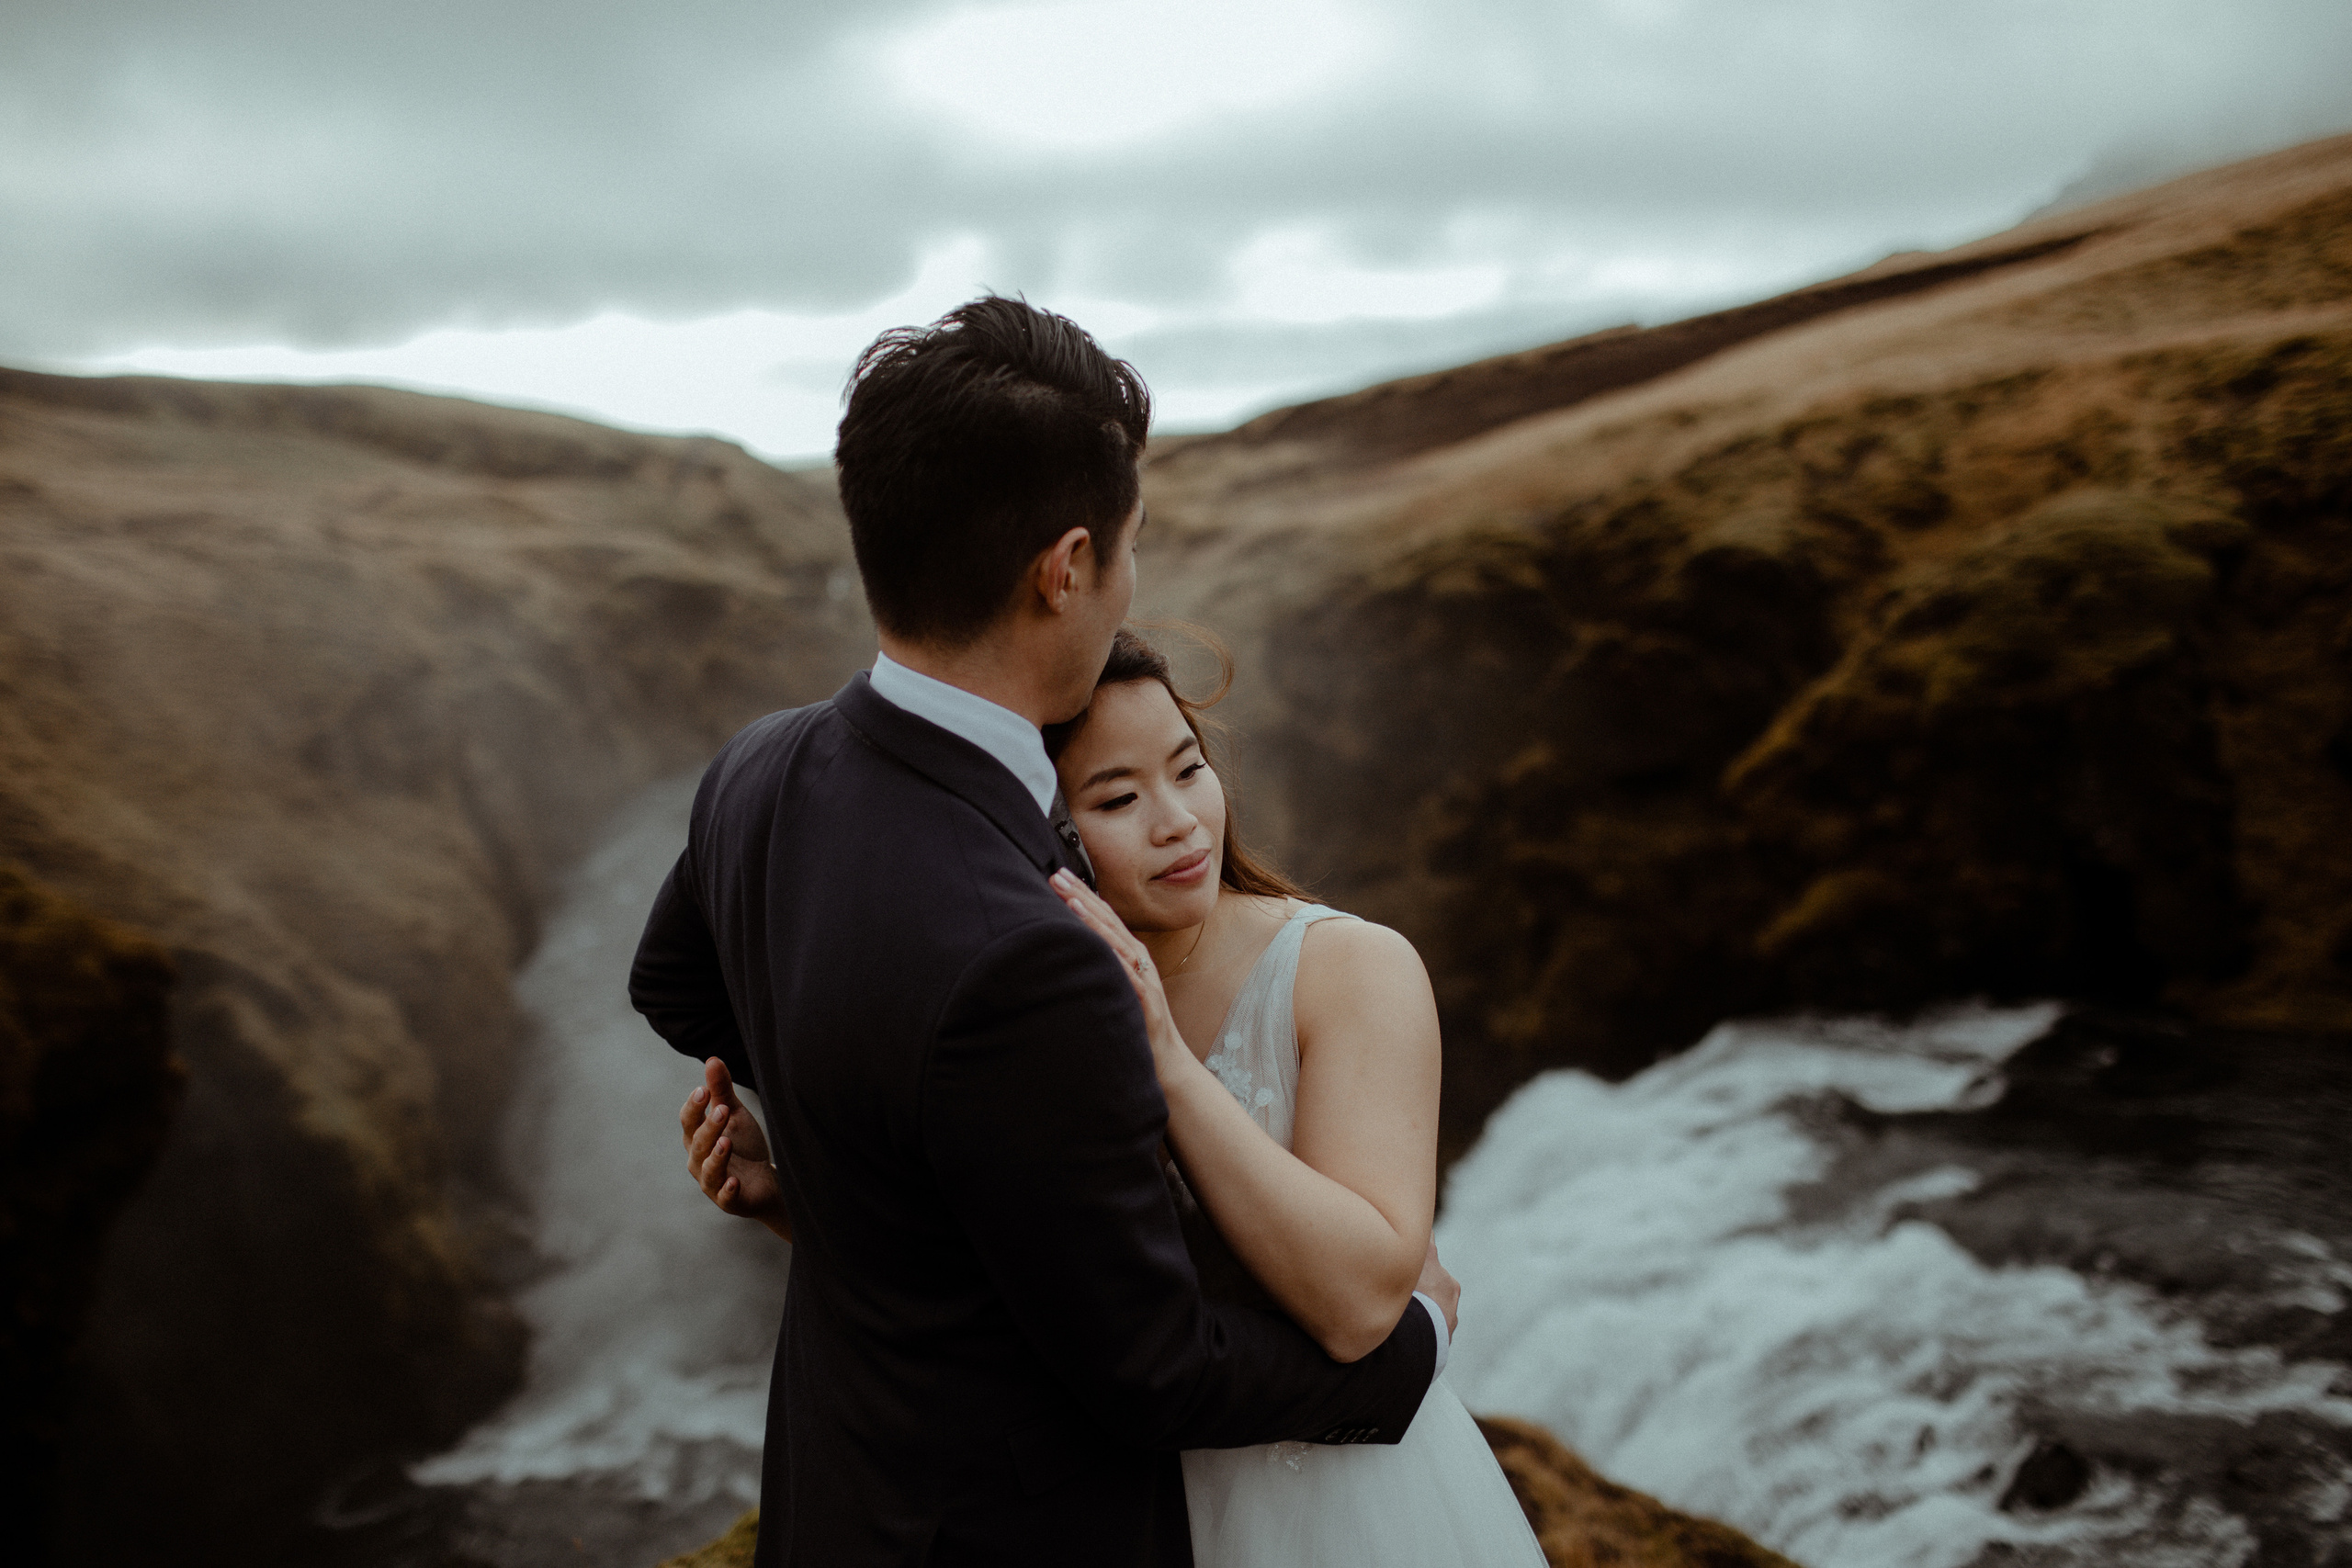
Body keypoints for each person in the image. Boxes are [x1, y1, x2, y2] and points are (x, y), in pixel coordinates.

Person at [629, 296, 1453, 1568]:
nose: (1131, 582)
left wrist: (858, 1186)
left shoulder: (759, 768)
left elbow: (674, 985)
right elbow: (1155, 1371)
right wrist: (1414, 1354)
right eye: (1129, 547)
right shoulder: (1029, 956)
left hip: (833, 1506)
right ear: (1065, 569)